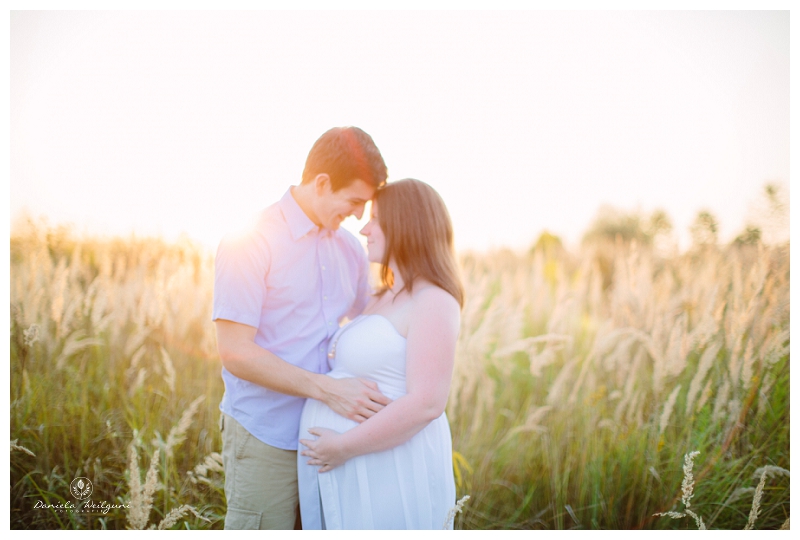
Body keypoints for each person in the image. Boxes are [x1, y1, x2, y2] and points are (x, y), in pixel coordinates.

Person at [212, 126, 392, 530]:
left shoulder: (348, 249)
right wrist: (327, 389)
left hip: (329, 438)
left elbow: (369, 325)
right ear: (323, 182)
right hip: (265, 434)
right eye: (355, 201)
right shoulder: (250, 239)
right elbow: (235, 352)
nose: (360, 216)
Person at [298, 178, 464, 529]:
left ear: (406, 225)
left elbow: (427, 403)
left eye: (375, 219)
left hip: (392, 469)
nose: (364, 229)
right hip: (360, 465)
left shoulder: (433, 301)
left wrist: (343, 446)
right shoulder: (383, 296)